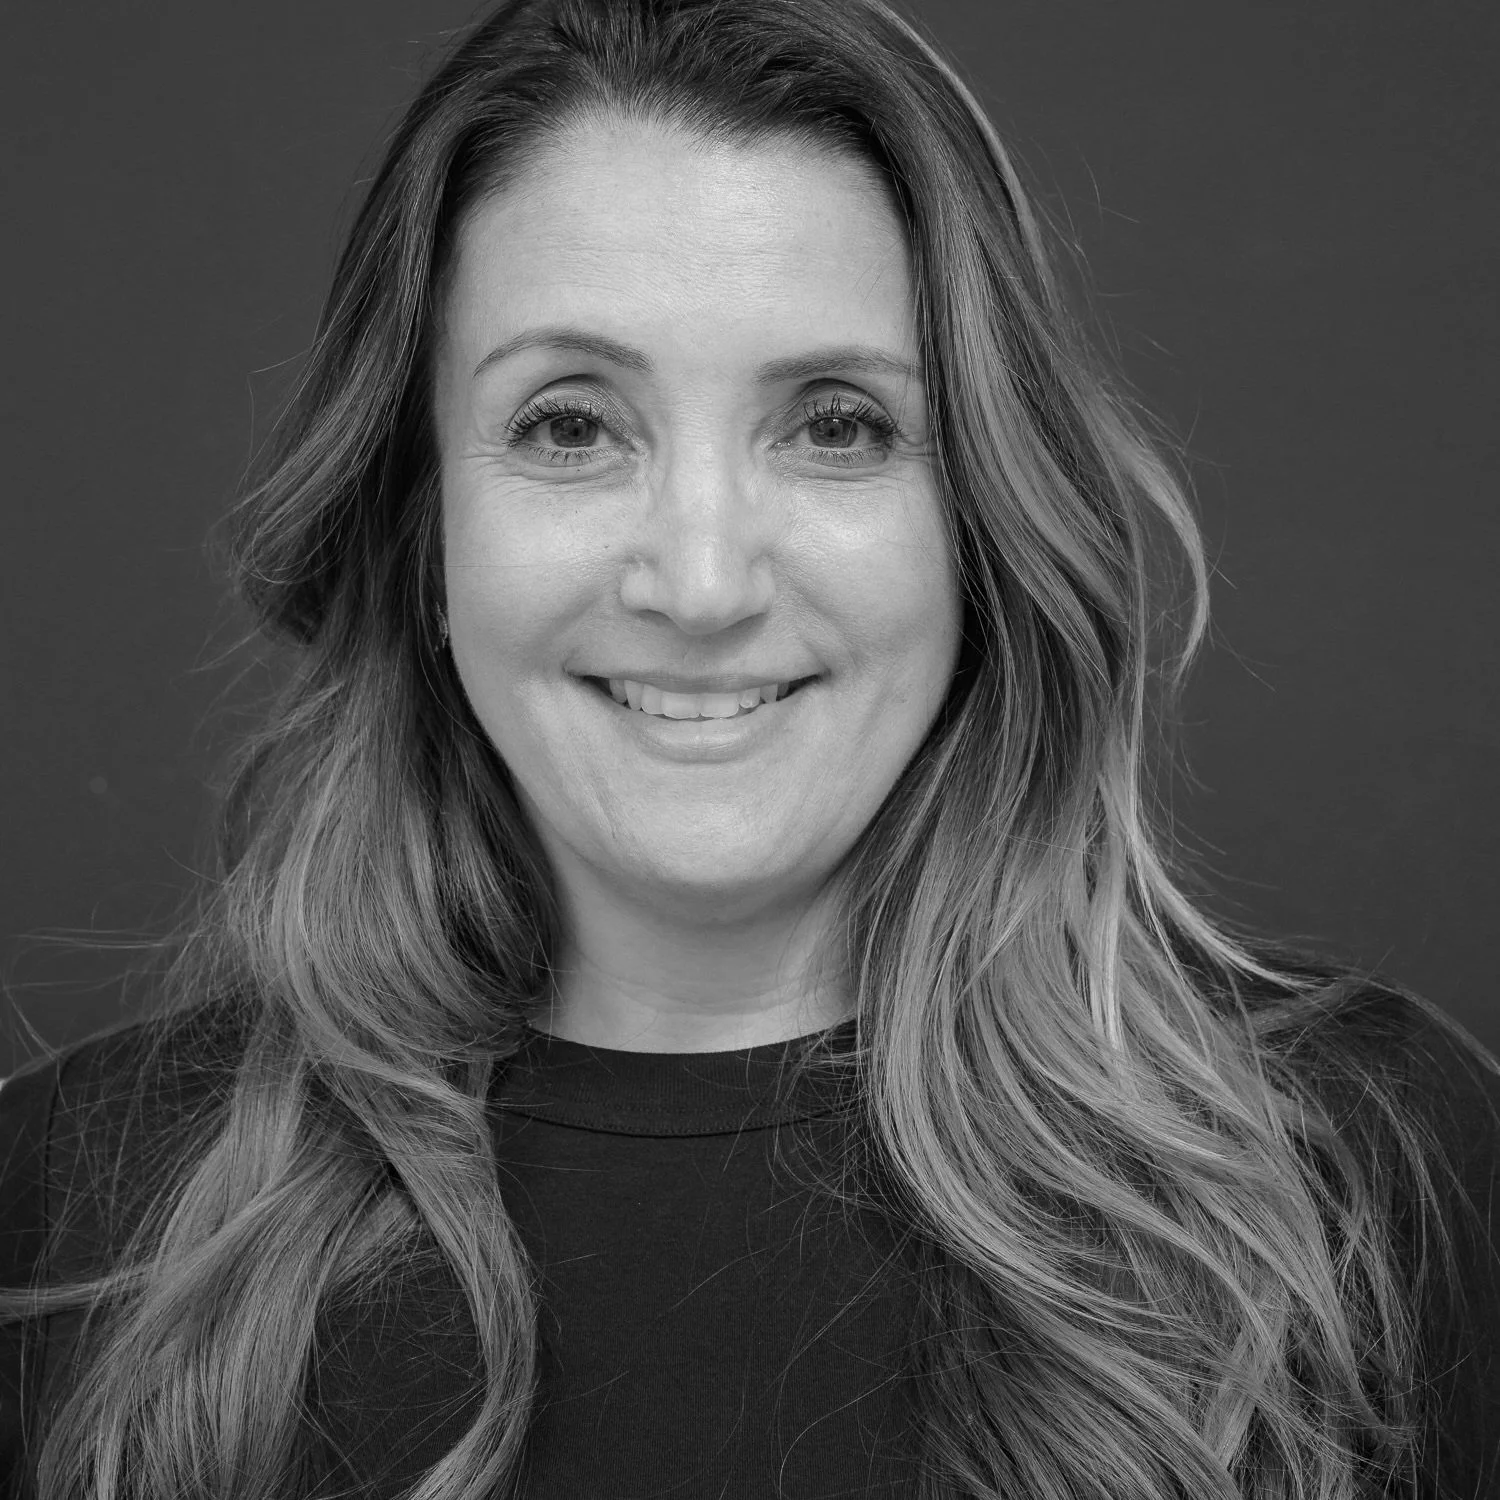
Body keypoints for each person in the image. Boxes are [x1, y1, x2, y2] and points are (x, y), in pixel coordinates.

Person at [2, 0, 1497, 1495]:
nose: (705, 583)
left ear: (980, 524)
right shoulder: (80, 1199)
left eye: (836, 426)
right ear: (422, 528)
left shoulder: (1350, 1167)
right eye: (570, 426)